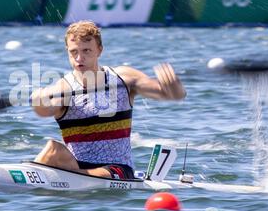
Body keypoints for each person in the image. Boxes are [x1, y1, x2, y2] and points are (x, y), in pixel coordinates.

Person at [30, 20, 186, 179]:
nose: (79, 58)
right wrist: (39, 101)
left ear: (99, 50)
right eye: (74, 52)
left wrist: (173, 86)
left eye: (86, 51)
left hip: (117, 169)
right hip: (77, 166)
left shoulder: (123, 79)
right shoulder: (63, 88)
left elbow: (172, 95)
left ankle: (66, 178)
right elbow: (45, 111)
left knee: (93, 174)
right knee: (53, 148)